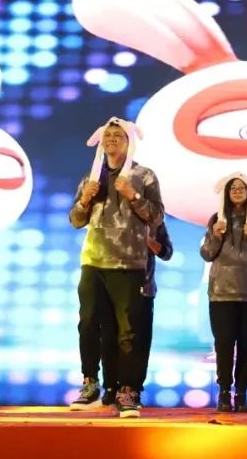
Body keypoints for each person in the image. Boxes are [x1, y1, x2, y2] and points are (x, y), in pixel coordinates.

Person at [69, 116, 164, 418]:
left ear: (129, 142)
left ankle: (128, 390)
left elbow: (157, 216)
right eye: (107, 135)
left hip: (129, 263)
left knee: (128, 332)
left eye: (117, 135)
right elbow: (75, 220)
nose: (111, 139)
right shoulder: (91, 177)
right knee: (88, 324)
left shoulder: (144, 175)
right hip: (93, 261)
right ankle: (90, 383)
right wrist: (84, 200)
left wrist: (133, 195)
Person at [200, 174, 247, 412]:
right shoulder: (217, 218)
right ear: (226, 192)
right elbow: (206, 253)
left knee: (246, 344)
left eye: (241, 188)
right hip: (221, 292)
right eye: (232, 188)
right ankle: (224, 391)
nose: (236, 191)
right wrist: (216, 234)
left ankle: (241, 393)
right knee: (223, 344)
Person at [98, 222, 174, 412]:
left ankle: (132, 389)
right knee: (109, 337)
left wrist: (150, 242)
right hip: (111, 288)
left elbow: (167, 253)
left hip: (143, 290)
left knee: (138, 343)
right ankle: (110, 388)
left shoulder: (154, 221)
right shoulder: (113, 217)